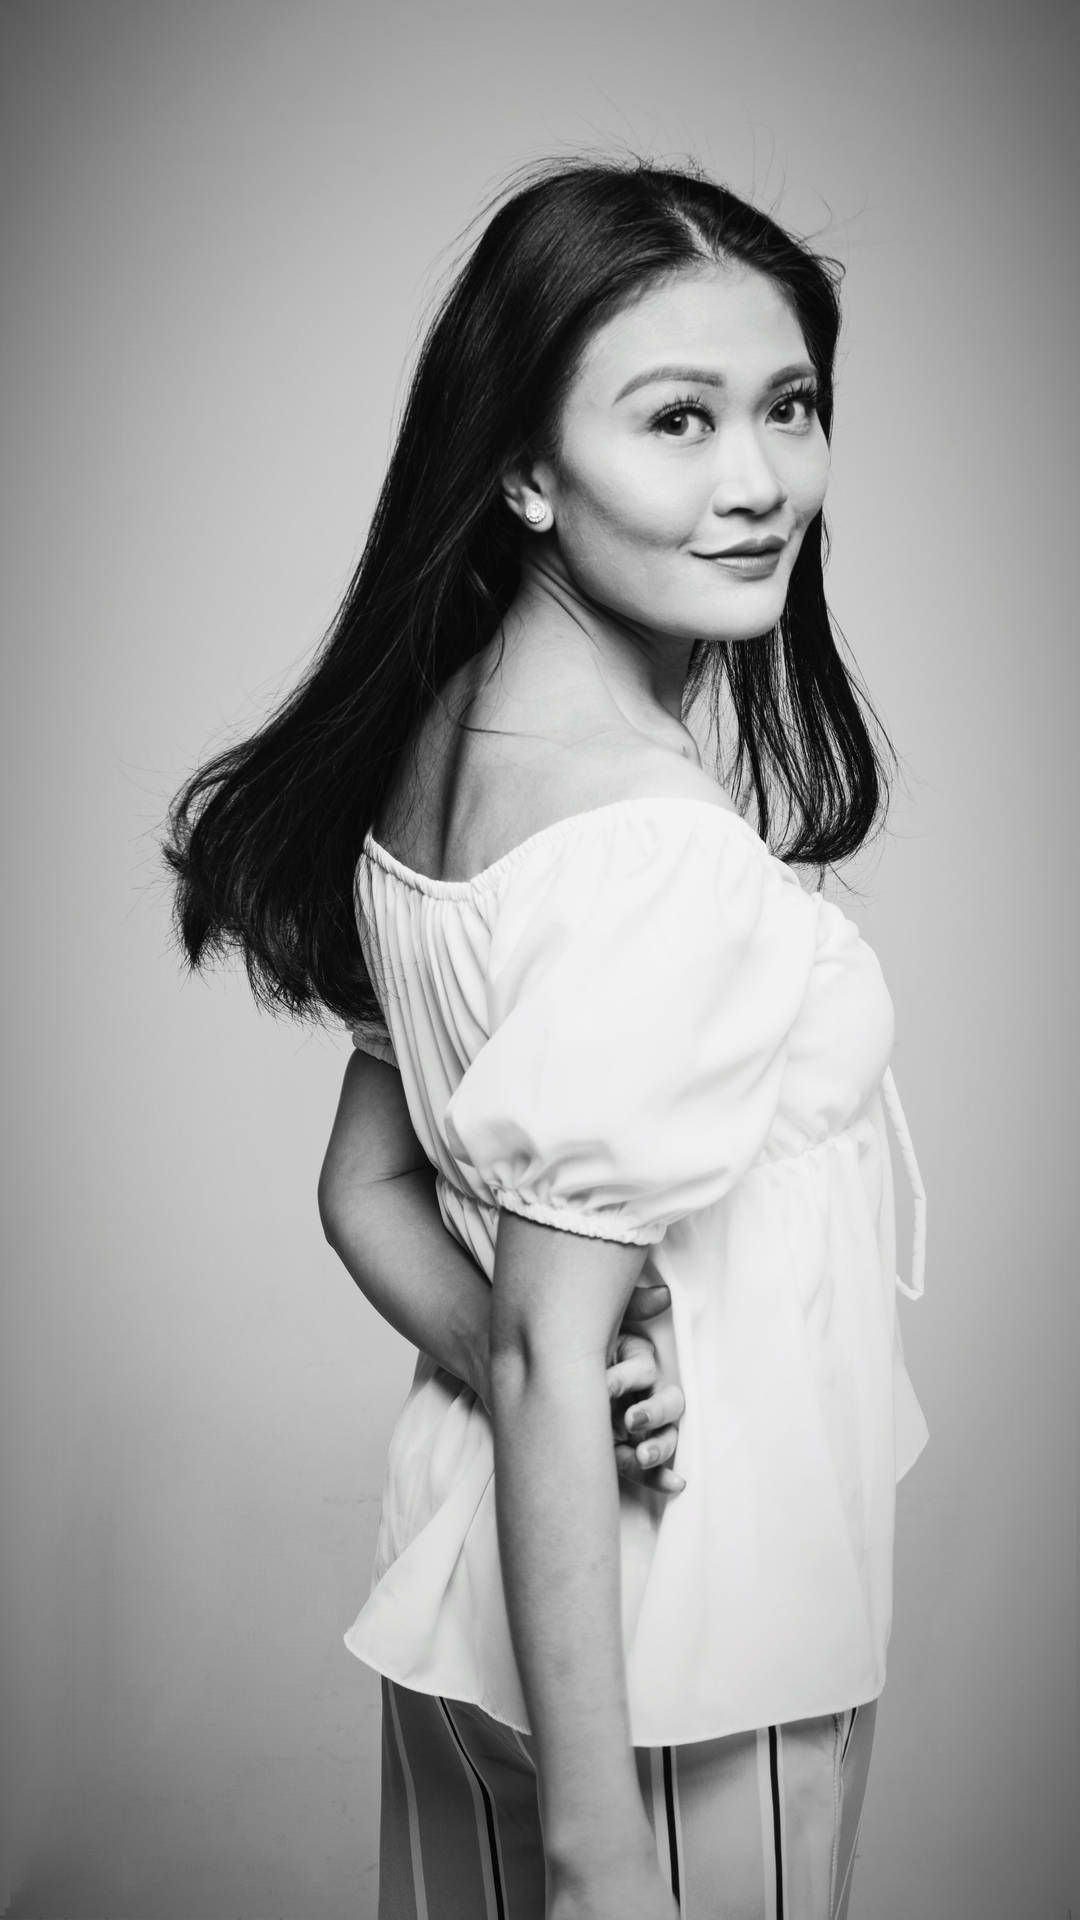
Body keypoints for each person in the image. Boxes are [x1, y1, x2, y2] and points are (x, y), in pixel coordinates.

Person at [166, 157, 929, 1920]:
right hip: (681, 1645)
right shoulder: (661, 849)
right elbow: (531, 1339)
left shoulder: (448, 748)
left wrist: (555, 1362)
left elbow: (368, 1194)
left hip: (499, 1610)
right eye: (677, 419)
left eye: (790, 408)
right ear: (521, 465)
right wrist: (599, 1855)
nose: (757, 483)